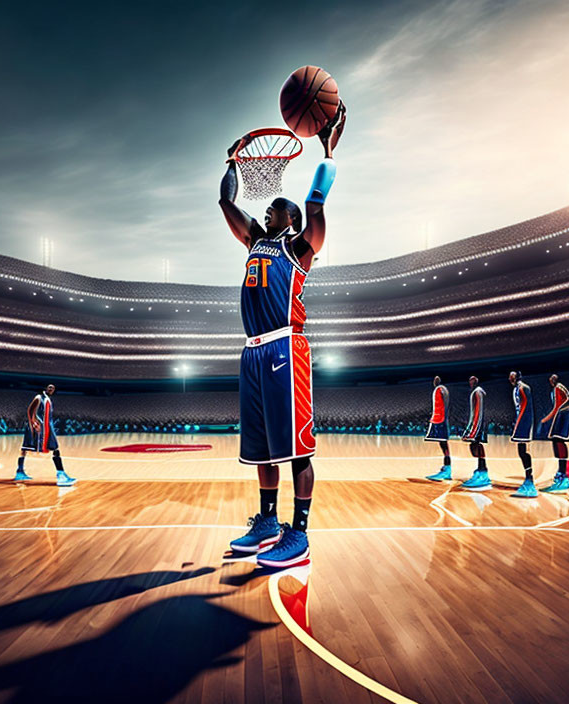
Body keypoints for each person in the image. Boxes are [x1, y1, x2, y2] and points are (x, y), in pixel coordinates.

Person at [220, 104, 346, 568]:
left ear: (288, 219)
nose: (266, 209)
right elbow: (226, 202)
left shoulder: (299, 246)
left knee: (295, 449)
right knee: (263, 449)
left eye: (274, 208)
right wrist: (232, 164)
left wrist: (328, 150)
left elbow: (316, 204)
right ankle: (269, 523)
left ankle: (301, 533)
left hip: (283, 347)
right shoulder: (255, 241)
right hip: (251, 353)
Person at [16, 384, 77, 487]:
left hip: (47, 427)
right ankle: (61, 476)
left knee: (53, 449)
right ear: (44, 388)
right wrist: (34, 423)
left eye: (53, 388)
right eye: (49, 387)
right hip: (39, 427)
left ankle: (20, 471)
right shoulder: (39, 397)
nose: (51, 389)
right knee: (26, 447)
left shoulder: (47, 399)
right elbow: (30, 410)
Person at [540, 374, 569, 493]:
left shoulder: (558, 388)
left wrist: (547, 418)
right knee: (557, 441)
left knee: (558, 441)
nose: (551, 380)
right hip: (563, 414)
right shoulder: (559, 388)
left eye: (553, 378)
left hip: (563, 415)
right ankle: (561, 475)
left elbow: (557, 406)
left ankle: (563, 477)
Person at [508, 371, 537, 498]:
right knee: (521, 451)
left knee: (523, 451)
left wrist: (519, 423)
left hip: (524, 421)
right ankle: (528, 479)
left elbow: (526, 407)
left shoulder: (523, 387)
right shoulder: (517, 388)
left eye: (512, 376)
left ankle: (530, 481)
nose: (510, 378)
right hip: (522, 420)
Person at [460, 376, 490, 490]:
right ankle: (480, 469)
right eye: (470, 380)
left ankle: (483, 473)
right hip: (476, 424)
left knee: (477, 446)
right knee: (475, 447)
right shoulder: (475, 392)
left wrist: (474, 430)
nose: (470, 382)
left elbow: (478, 412)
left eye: (472, 380)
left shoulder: (478, 392)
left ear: (476, 381)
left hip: (479, 425)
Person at [424, 376, 452, 481]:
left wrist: (442, 418)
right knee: (442, 443)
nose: (435, 380)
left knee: (443, 443)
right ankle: (446, 468)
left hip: (441, 419)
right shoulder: (441, 389)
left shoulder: (441, 389)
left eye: (437, 378)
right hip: (440, 418)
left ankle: (447, 470)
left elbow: (445, 405)